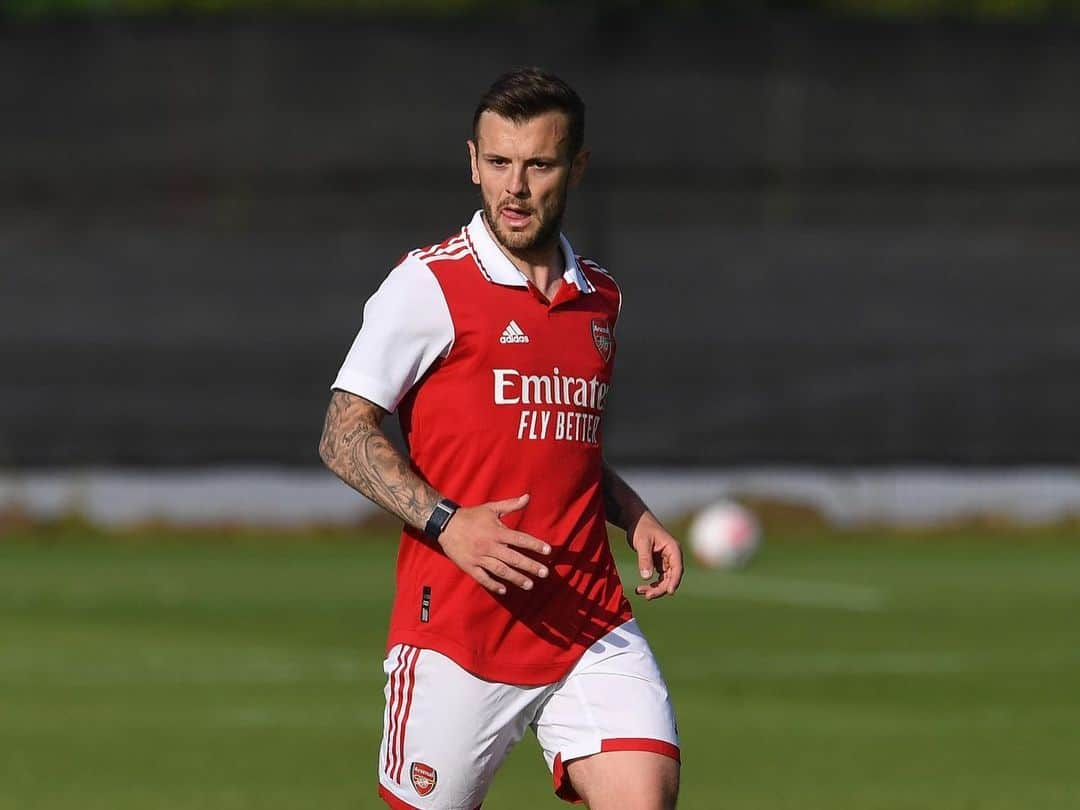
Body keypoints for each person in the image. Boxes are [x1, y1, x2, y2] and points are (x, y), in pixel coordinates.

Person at [319, 67, 684, 810]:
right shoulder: (429, 285)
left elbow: (559, 445)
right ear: (473, 162)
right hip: (459, 630)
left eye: (538, 164)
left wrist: (632, 511)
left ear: (575, 168)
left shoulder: (600, 296)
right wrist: (449, 525)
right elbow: (342, 435)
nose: (514, 186)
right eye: (498, 162)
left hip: (587, 619)